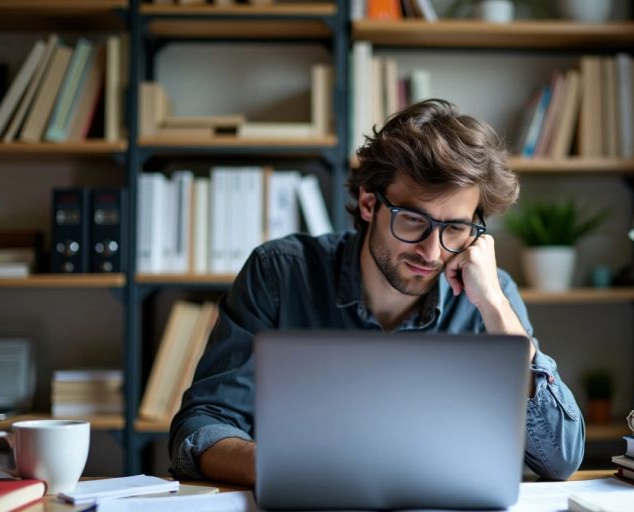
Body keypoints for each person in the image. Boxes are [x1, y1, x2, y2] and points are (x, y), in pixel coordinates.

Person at [169, 99, 585, 484]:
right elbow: (203, 425)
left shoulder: (492, 298)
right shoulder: (280, 274)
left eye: (455, 228)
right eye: (412, 220)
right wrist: (283, 468)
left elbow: (561, 459)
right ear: (369, 203)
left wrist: (495, 307)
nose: (431, 250)